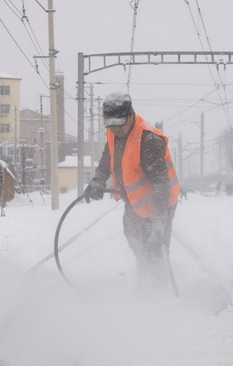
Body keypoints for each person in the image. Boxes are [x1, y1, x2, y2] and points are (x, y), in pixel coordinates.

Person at [83, 92, 180, 293]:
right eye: (111, 124)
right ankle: (144, 287)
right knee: (137, 244)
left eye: (120, 123)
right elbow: (105, 160)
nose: (116, 129)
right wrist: (97, 181)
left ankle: (159, 298)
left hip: (160, 203)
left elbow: (162, 184)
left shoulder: (148, 140)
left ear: (130, 115)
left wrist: (159, 222)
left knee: (155, 250)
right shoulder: (113, 133)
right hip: (135, 203)